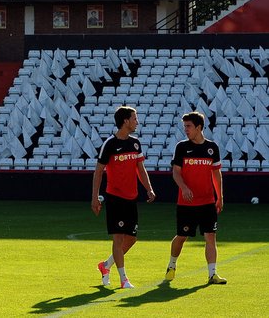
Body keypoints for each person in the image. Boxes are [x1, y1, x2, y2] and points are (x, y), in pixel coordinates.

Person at [92, 105, 156, 289]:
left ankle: (105, 266)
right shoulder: (110, 144)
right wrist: (95, 197)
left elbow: (140, 169)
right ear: (125, 121)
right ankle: (123, 279)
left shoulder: (135, 143)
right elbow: (98, 172)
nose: (137, 122)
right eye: (135, 118)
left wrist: (149, 189)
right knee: (118, 239)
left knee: (132, 239)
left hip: (131, 198)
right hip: (115, 198)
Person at [165, 111, 227, 285]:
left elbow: (216, 174)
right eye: (185, 126)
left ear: (199, 127)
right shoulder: (182, 147)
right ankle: (172, 265)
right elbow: (176, 172)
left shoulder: (212, 148)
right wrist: (183, 187)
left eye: (189, 126)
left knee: (210, 237)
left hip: (207, 201)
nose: (186, 129)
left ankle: (212, 274)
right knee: (181, 236)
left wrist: (219, 196)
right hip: (187, 203)